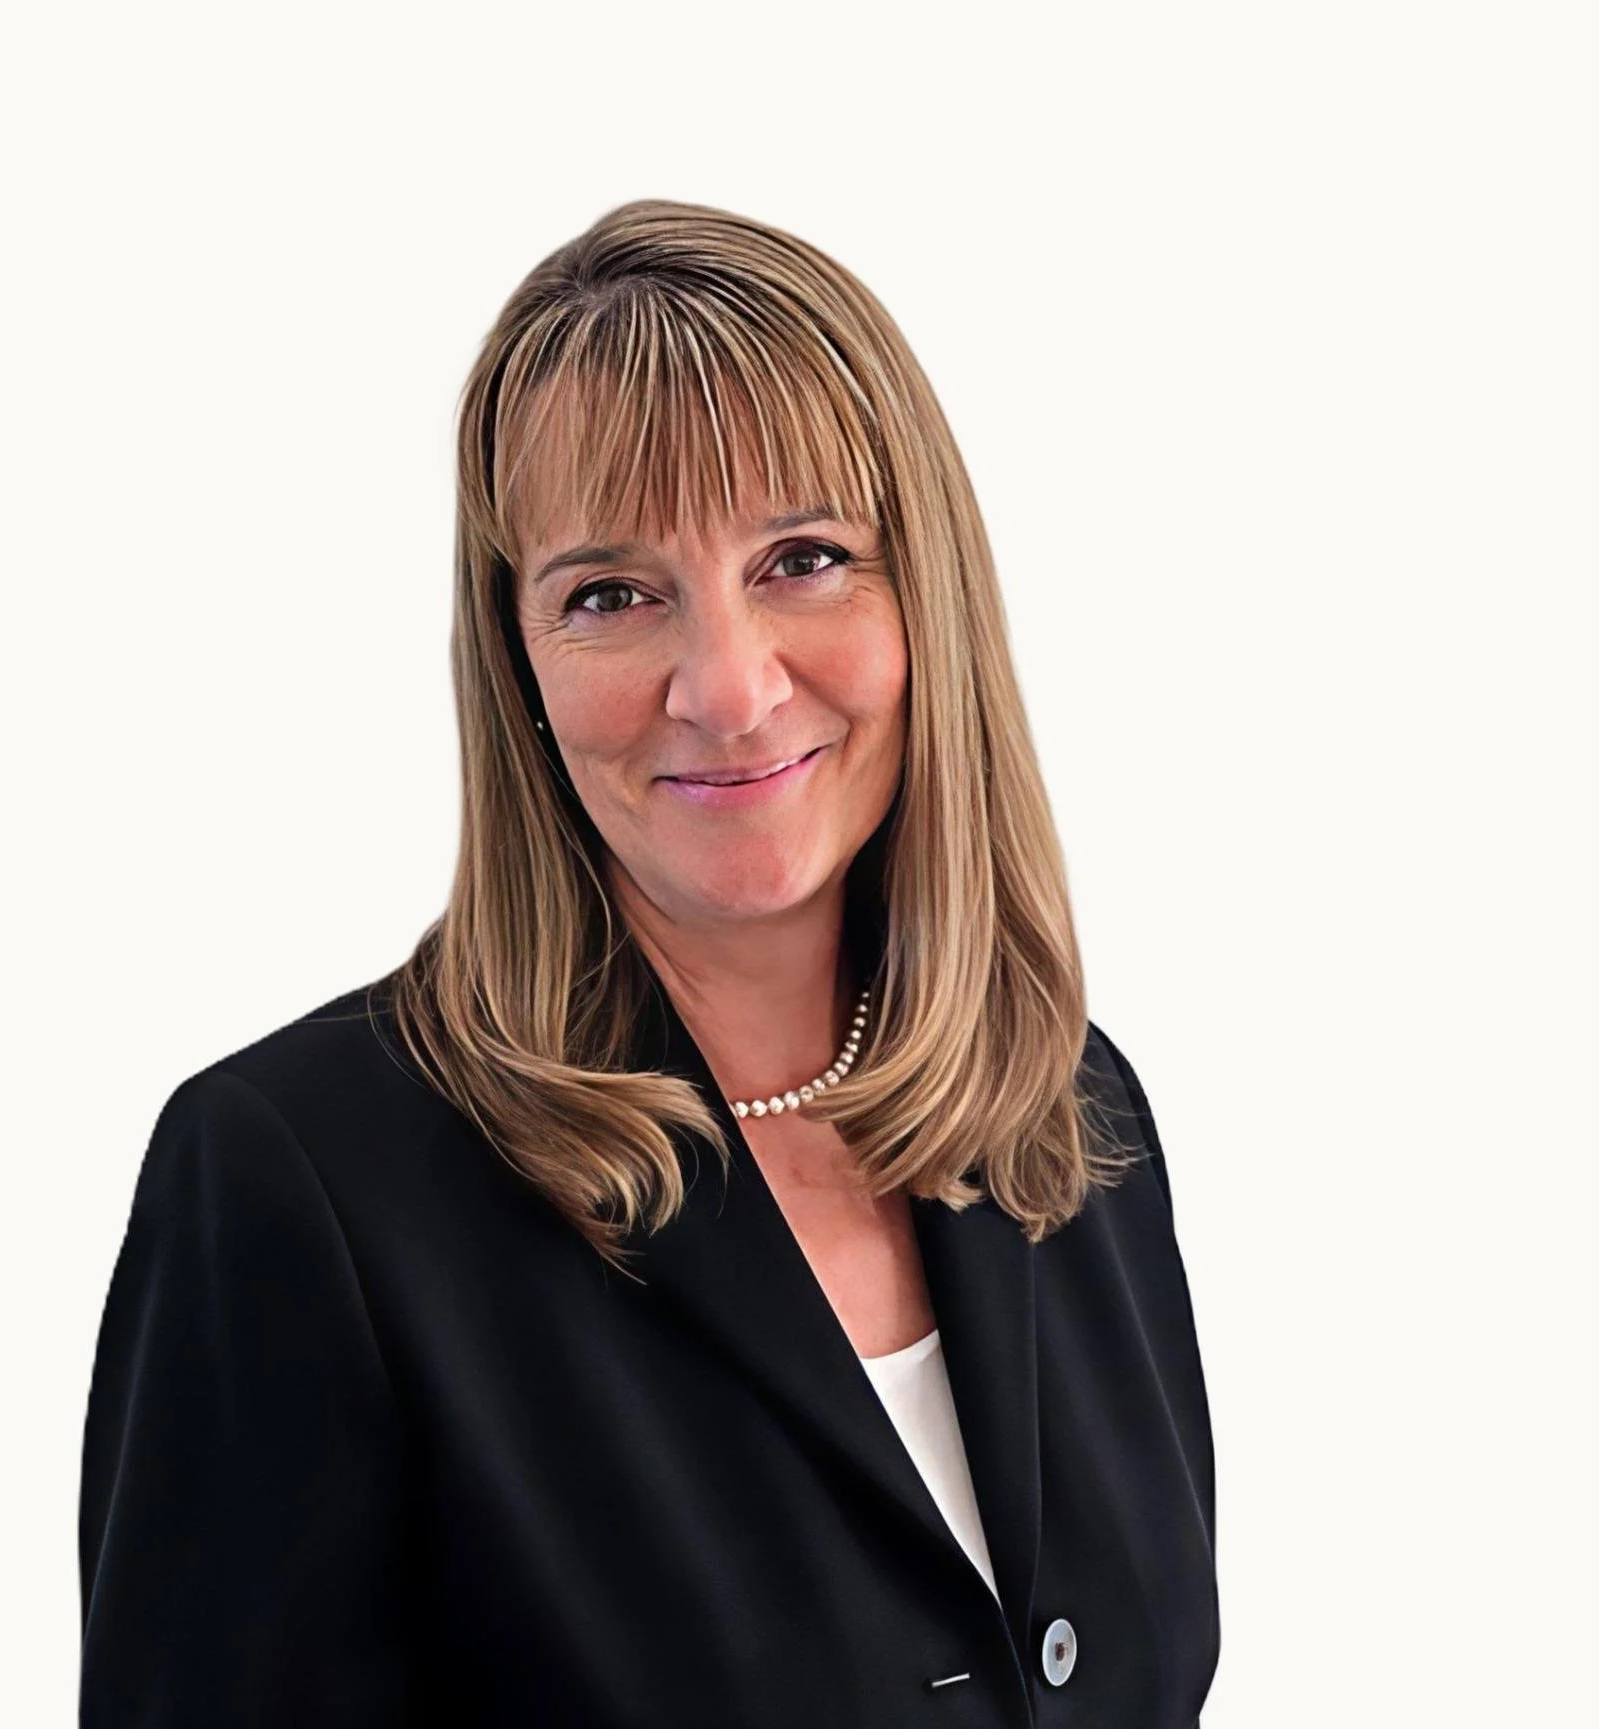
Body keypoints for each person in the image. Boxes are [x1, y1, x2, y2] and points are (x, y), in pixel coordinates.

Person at [78, 197, 1220, 1728]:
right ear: (520, 663)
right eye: (611, 595)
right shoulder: (297, 1185)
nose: (730, 690)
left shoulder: (1064, 1111)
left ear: (926, 599)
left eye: (806, 559)